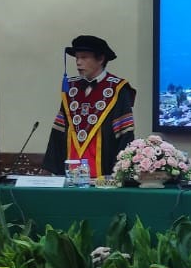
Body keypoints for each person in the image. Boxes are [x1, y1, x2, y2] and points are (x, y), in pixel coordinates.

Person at [41, 35, 136, 178]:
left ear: (100, 59)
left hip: (104, 172)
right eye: (77, 58)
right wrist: (48, 169)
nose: (78, 63)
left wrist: (120, 172)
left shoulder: (118, 88)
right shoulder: (71, 88)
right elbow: (59, 130)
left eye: (84, 57)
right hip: (70, 172)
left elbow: (125, 134)